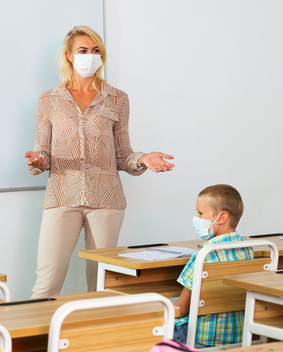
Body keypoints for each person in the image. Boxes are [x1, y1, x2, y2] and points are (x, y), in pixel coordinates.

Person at [24, 26, 175, 296]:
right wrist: (38, 161)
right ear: (70, 55)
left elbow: (122, 155)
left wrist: (143, 159)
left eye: (96, 51)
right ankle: (39, 337)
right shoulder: (49, 100)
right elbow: (42, 151)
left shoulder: (117, 99)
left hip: (106, 200)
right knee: (47, 283)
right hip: (61, 197)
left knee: (103, 285)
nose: (90, 56)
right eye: (83, 51)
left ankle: (98, 337)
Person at [173, 184, 253, 347]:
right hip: (238, 335)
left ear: (222, 218)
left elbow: (182, 309)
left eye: (200, 213)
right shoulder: (248, 250)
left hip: (201, 337)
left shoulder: (204, 256)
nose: (197, 217)